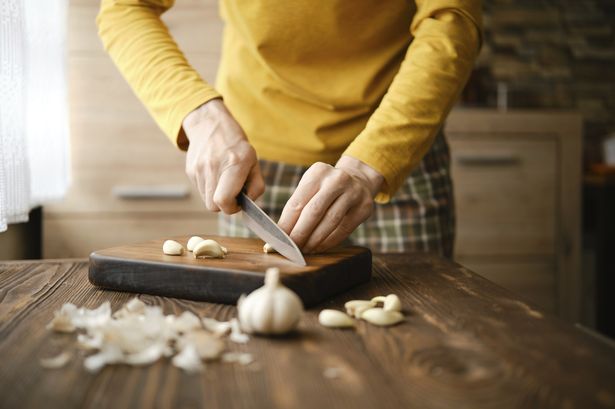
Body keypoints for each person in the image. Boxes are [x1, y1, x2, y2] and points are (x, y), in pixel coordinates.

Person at [97, 0, 481, 257]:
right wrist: (201, 116)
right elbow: (124, 7)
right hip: (255, 168)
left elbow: (450, 21)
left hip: (396, 158)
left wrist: (369, 165)